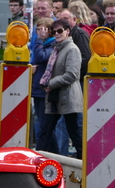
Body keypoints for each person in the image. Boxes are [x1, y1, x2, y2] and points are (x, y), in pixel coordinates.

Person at [36, 19, 83, 159]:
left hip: (68, 97)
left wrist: (50, 83)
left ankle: (85, 162)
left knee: (74, 132)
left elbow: (72, 75)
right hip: (55, 97)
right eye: (54, 31)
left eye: (60, 31)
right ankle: (36, 160)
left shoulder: (72, 49)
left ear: (68, 31)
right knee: (46, 130)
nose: (57, 33)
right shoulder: (57, 48)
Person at [31, 17, 55, 147]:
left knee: (45, 123)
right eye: (38, 29)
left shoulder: (51, 44)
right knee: (40, 121)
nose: (40, 32)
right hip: (37, 88)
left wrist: (39, 40)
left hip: (45, 89)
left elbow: (41, 56)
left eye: (43, 29)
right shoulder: (42, 43)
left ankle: (50, 149)